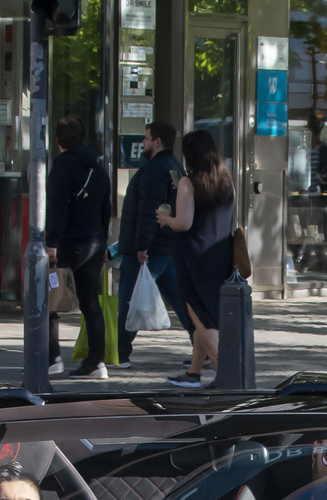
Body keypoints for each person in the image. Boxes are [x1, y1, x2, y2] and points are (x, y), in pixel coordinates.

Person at [157, 128, 235, 389]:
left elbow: (184, 223)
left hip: (194, 257)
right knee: (207, 311)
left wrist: (165, 219)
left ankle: (227, 374)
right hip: (219, 253)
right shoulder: (226, 180)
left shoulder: (188, 183)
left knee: (199, 316)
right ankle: (193, 372)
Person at [45, 116, 113, 378]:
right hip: (95, 243)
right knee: (90, 304)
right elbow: (106, 209)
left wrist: (52, 243)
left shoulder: (62, 167)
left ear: (59, 139)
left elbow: (57, 208)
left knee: (51, 301)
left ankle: (53, 358)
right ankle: (97, 362)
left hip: (69, 244)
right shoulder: (98, 169)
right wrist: (104, 241)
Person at [115, 119, 184, 373]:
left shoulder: (154, 169)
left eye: (145, 138)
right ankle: (203, 343)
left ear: (157, 141)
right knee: (181, 300)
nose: (142, 142)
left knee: (128, 300)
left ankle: (120, 352)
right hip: (168, 248)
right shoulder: (176, 167)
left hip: (148, 250)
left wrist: (141, 245)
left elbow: (147, 211)